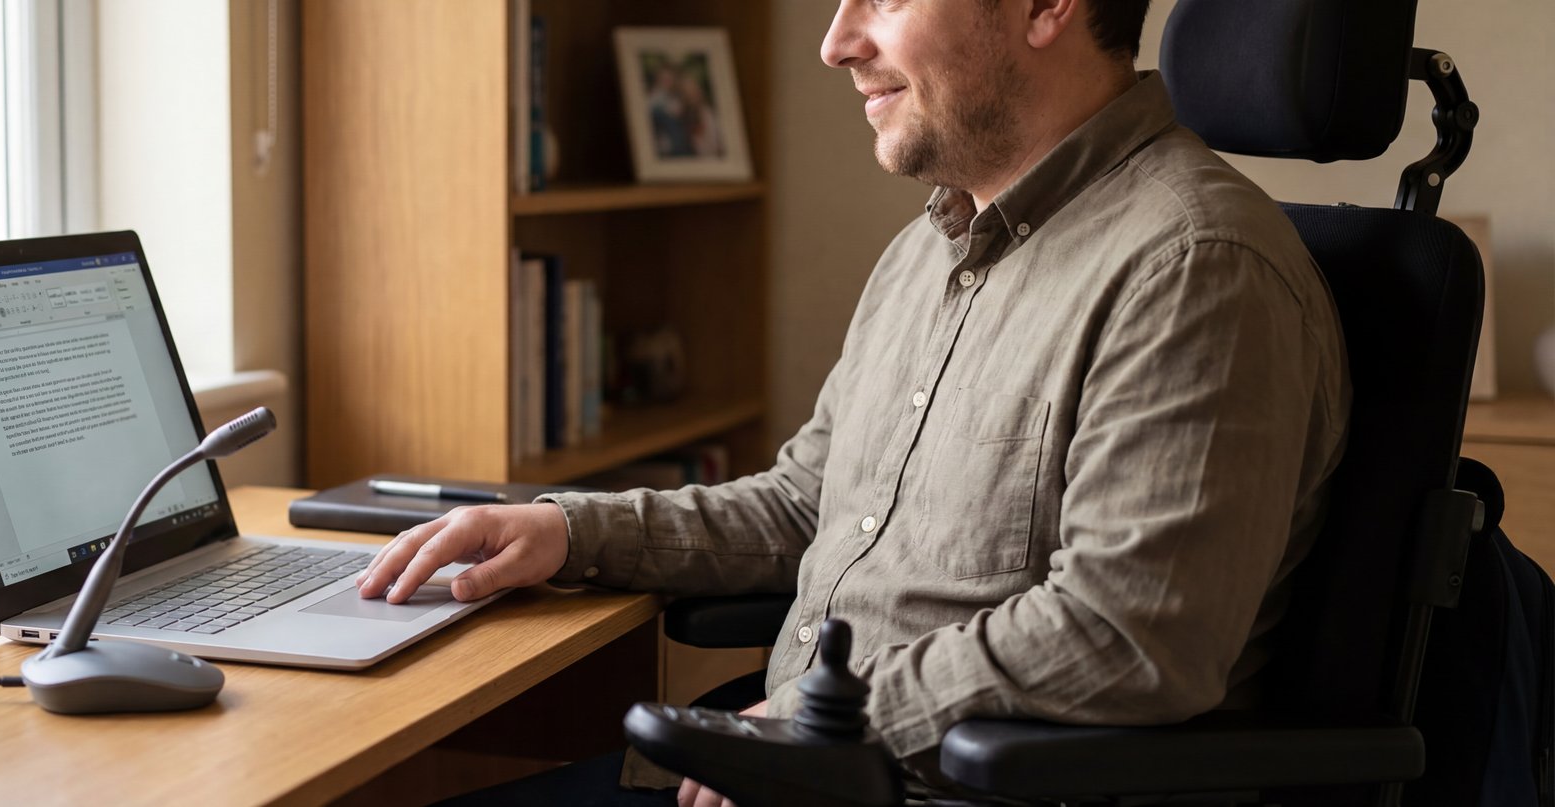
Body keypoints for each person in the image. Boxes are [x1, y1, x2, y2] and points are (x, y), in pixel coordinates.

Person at [360, 0, 1348, 803]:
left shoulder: (1192, 269)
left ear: (1047, 7)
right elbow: (808, 504)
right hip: (793, 760)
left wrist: (820, 725)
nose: (835, 42)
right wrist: (566, 533)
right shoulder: (934, 246)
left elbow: (1128, 638)